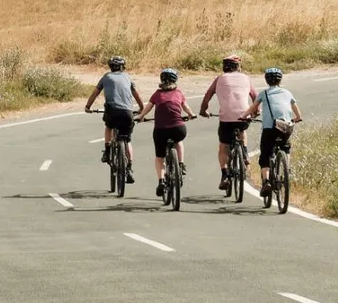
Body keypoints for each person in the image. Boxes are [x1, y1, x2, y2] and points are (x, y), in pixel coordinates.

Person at [200, 54, 255, 194]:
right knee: (242, 131)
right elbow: (255, 96)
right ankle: (245, 153)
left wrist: (203, 110)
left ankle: (225, 174)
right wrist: (255, 111)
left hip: (226, 119)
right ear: (238, 67)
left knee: (223, 146)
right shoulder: (246, 78)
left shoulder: (220, 79)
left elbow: (208, 94)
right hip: (244, 116)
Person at [84, 55, 143, 183]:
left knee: (109, 126)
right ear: (123, 67)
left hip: (112, 111)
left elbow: (95, 93)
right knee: (127, 140)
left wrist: (88, 106)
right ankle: (129, 167)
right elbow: (136, 94)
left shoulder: (106, 77)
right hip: (127, 112)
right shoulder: (127, 77)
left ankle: (107, 151)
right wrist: (142, 107)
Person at [140, 67, 195, 198]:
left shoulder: (157, 94)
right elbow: (186, 107)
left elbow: (148, 108)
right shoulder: (179, 93)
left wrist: (140, 116)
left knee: (160, 157)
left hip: (160, 130)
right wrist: (191, 114)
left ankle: (161, 181)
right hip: (178, 129)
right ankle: (180, 165)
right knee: (178, 141)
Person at [256, 67, 301, 199]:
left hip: (269, 129)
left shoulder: (263, 94)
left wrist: (245, 116)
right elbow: (298, 115)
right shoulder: (287, 93)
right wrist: (295, 119)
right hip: (285, 128)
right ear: (280, 79)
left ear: (266, 80)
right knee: (286, 147)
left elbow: (252, 109)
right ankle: (287, 169)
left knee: (265, 155)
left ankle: (267, 182)